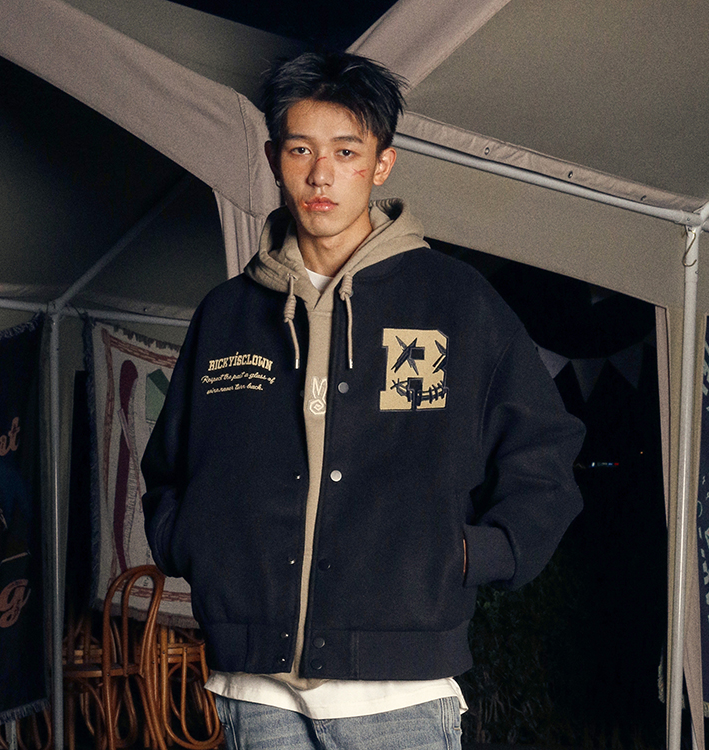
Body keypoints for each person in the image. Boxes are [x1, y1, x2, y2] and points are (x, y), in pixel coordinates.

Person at [141, 51, 585, 750]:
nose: (321, 175)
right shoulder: (227, 313)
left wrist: (476, 553)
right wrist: (192, 544)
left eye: (346, 152)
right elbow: (168, 469)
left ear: (382, 164)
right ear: (274, 158)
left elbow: (546, 452)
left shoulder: (456, 302)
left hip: (399, 694)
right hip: (255, 691)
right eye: (301, 150)